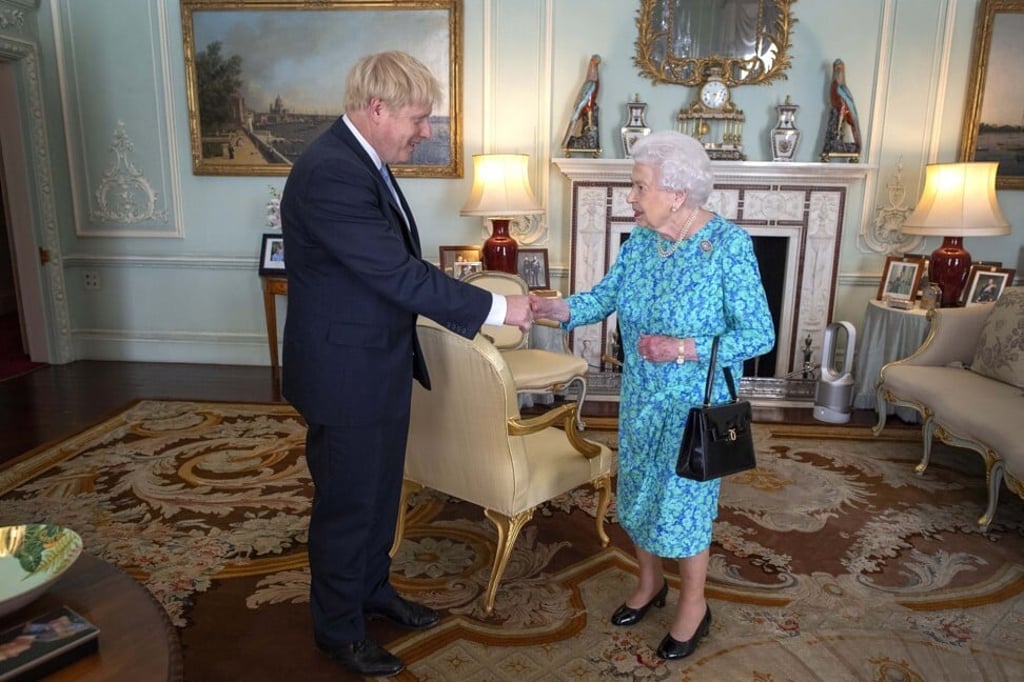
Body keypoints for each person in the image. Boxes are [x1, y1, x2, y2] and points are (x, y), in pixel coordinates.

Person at [279, 51, 532, 678]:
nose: (426, 131)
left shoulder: (363, 161)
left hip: (375, 362)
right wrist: (501, 307)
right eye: (420, 119)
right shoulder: (332, 172)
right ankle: (338, 630)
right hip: (345, 373)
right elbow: (394, 272)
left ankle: (372, 593)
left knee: (379, 491)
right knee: (348, 504)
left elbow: (390, 268)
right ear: (377, 109)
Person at [530, 130, 774, 661]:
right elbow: (604, 297)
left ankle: (694, 603)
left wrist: (683, 347)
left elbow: (759, 334)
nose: (631, 197)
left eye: (639, 186)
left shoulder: (728, 246)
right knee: (638, 491)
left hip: (694, 405)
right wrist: (556, 309)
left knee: (683, 505)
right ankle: (649, 584)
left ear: (678, 193)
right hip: (640, 397)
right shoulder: (641, 241)